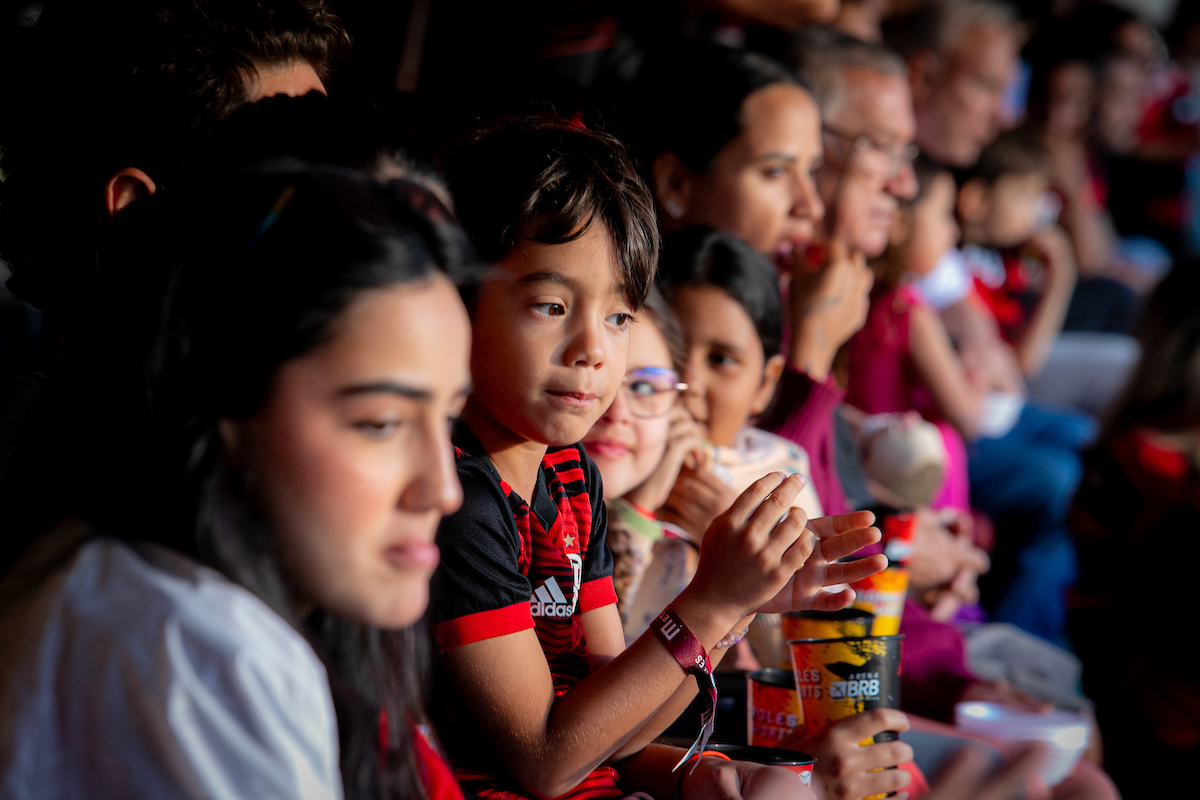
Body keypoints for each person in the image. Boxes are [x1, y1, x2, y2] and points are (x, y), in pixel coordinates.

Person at [431, 114, 885, 800]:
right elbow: (548, 761)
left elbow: (623, 728)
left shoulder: (570, 477)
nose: (594, 349)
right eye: (552, 305)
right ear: (456, 303)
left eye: (618, 317)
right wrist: (709, 601)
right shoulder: (456, 493)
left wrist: (738, 606)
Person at [0, 165, 475, 799]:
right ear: (225, 408)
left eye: (447, 419)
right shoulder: (197, 649)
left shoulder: (169, 603)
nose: (443, 490)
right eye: (382, 424)